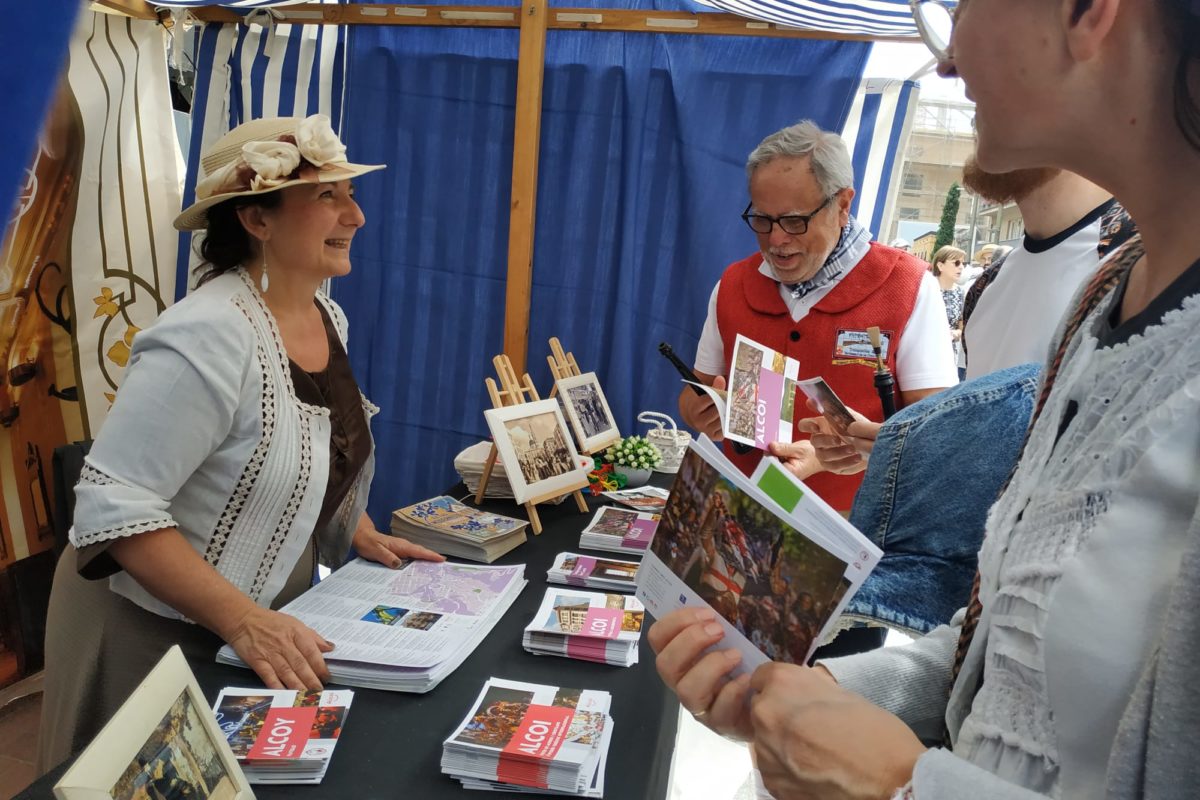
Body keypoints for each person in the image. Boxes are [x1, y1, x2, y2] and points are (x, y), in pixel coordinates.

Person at [650, 1, 1200, 798]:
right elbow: (1003, 659)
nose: (945, 58)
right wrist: (827, 705)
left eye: (965, 2)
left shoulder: (920, 287)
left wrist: (901, 784)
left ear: (1091, 13)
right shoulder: (1103, 301)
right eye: (762, 220)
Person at [37, 115, 445, 771]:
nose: (356, 216)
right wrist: (243, 620)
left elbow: (307, 449)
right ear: (257, 220)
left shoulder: (325, 316)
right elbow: (113, 504)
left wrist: (354, 524)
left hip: (241, 625)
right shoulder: (207, 334)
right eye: (328, 197)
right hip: (148, 625)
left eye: (348, 194)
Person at [678, 120, 957, 513]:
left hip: (854, 526)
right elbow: (693, 396)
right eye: (762, 220)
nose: (776, 240)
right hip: (742, 511)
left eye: (795, 221)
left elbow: (938, 434)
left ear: (843, 205)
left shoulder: (908, 286)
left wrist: (861, 448)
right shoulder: (733, 285)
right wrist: (702, 411)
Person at [929, 245, 967, 376]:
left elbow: (961, 325)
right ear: (940, 266)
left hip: (948, 354)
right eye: (956, 263)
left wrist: (956, 333)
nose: (961, 267)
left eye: (963, 263)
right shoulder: (927, 288)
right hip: (924, 351)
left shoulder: (960, 292)